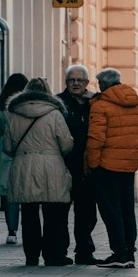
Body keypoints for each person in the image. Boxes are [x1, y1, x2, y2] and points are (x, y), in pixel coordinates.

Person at [3, 77, 74, 266]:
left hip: (24, 166)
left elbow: (7, 146)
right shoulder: (55, 113)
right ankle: (51, 255)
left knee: (28, 213)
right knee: (53, 214)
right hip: (51, 167)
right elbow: (66, 144)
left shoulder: (14, 113)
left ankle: (31, 256)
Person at [86, 68, 138, 267]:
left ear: (103, 84)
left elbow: (96, 138)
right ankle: (129, 251)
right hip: (128, 168)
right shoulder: (137, 106)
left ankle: (120, 253)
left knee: (111, 211)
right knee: (126, 210)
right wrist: (132, 158)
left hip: (105, 166)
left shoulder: (101, 105)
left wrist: (93, 164)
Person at [57, 64, 98, 264]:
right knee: (60, 210)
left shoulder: (94, 103)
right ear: (66, 82)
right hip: (63, 164)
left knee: (87, 211)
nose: (75, 83)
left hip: (86, 166)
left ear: (87, 83)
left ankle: (84, 251)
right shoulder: (58, 103)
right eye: (71, 80)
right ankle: (60, 251)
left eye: (79, 80)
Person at [0, 71, 28, 245]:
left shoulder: (1, 108)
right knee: (27, 194)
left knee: (9, 195)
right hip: (26, 153)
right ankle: (29, 229)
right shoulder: (28, 107)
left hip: (6, 154)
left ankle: (12, 231)